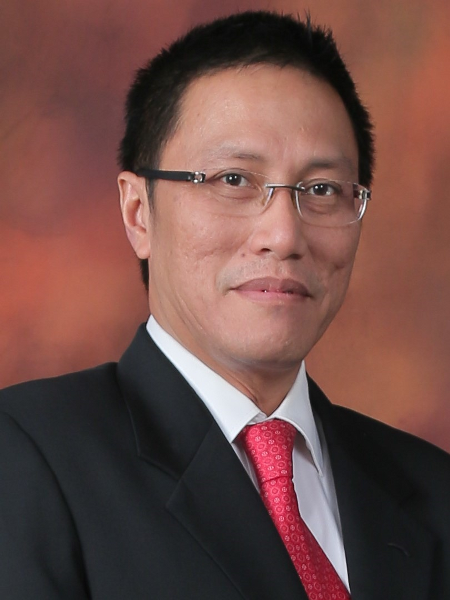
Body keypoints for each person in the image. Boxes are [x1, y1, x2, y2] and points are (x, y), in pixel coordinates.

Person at [0, 10, 449, 600]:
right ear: (139, 212)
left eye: (321, 190)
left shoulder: (433, 489)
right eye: (234, 180)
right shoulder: (27, 454)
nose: (283, 236)